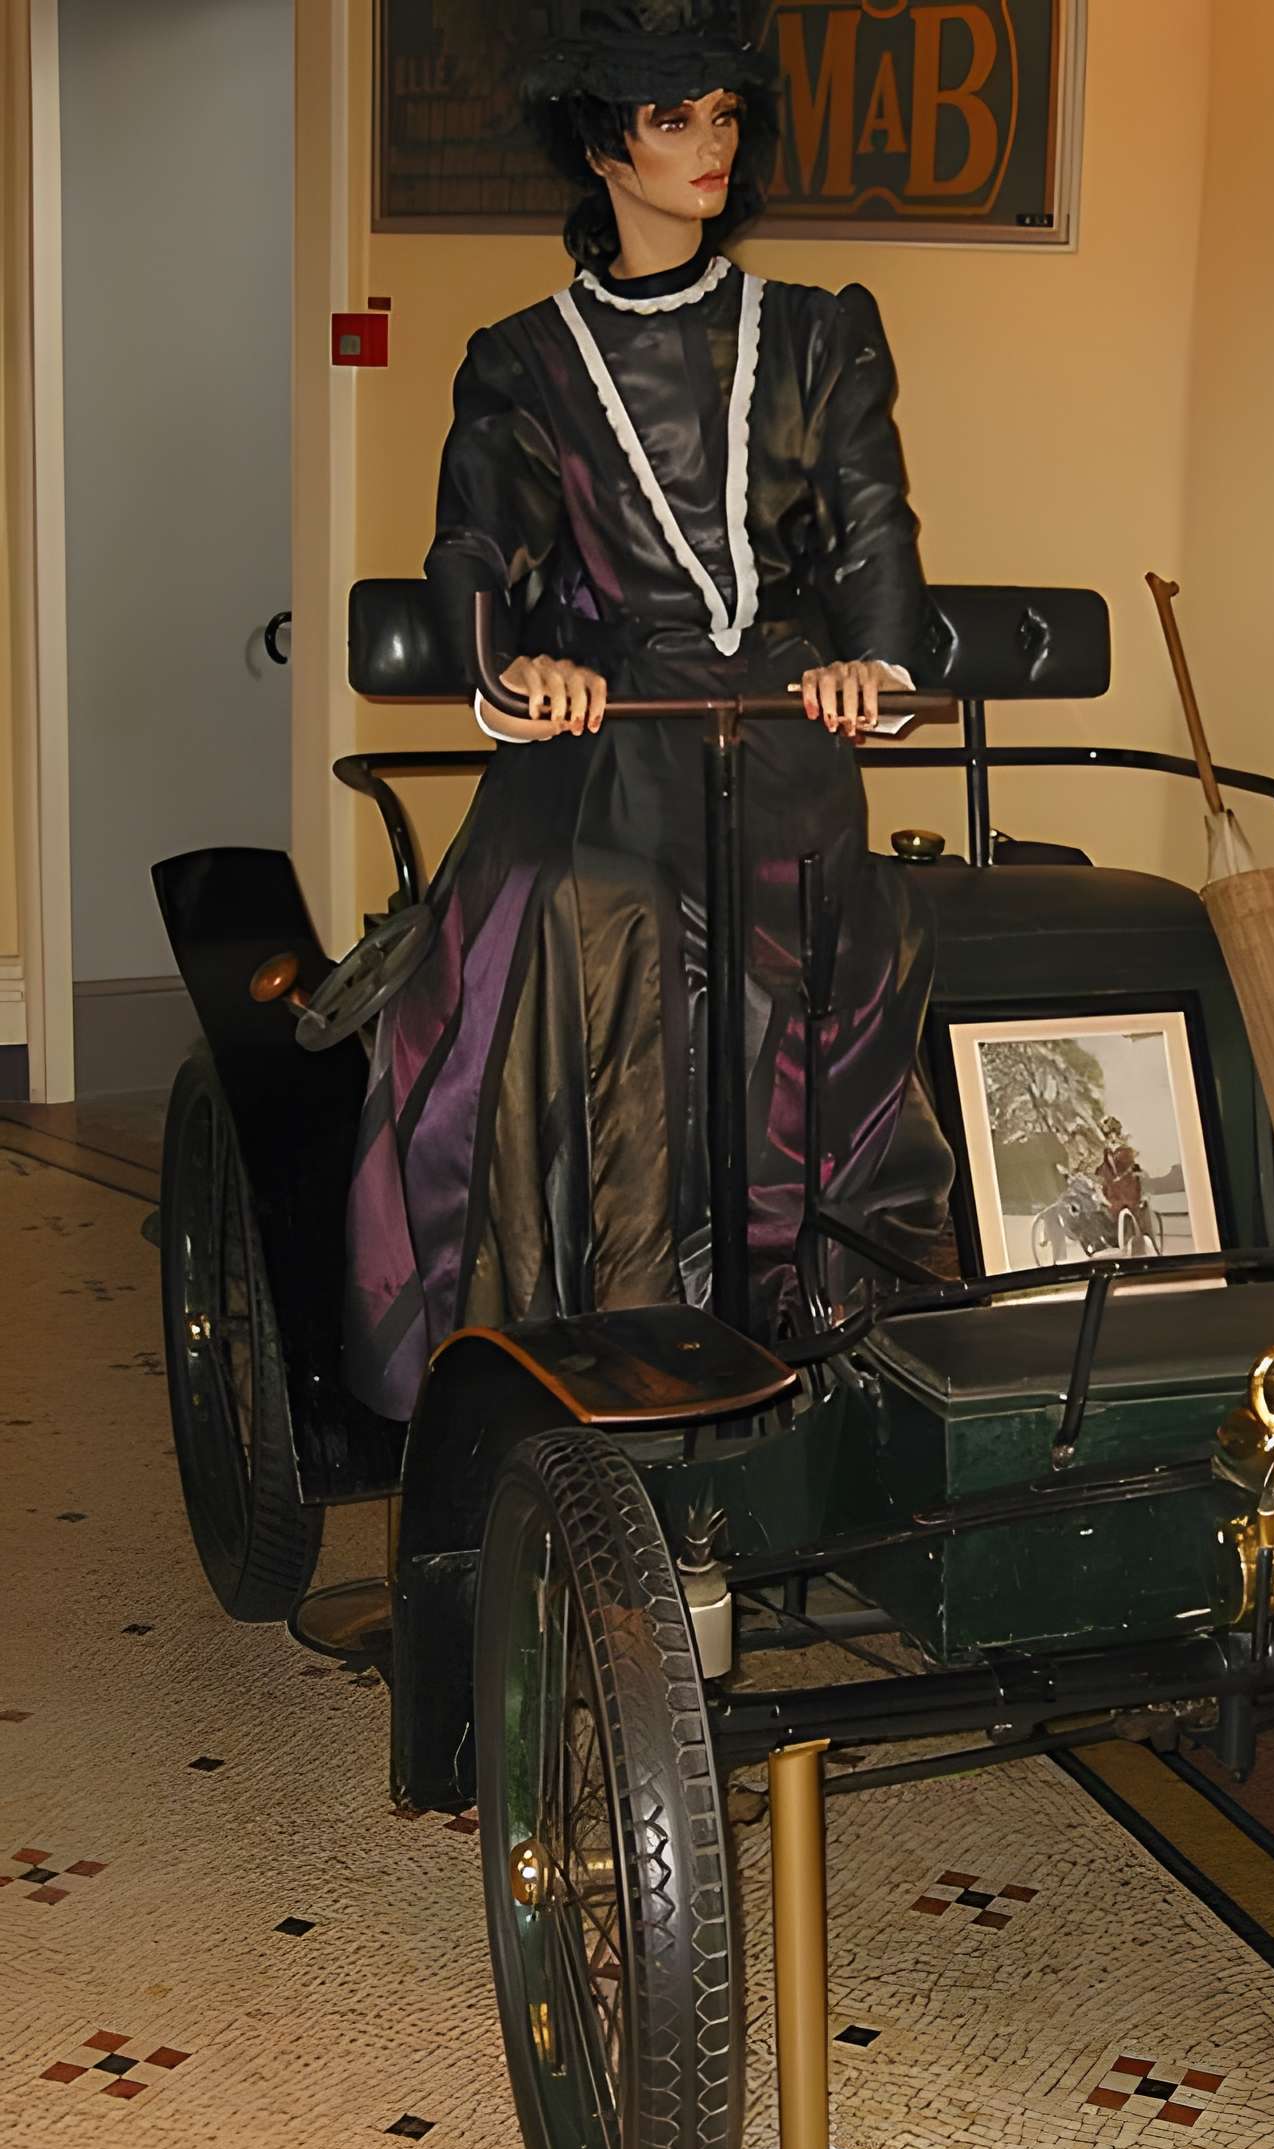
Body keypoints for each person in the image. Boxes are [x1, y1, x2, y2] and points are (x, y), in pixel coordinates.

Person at [344, 0, 950, 1417]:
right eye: (674, 121)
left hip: (789, 746)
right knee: (580, 939)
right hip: (613, 748)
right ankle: (610, 1353)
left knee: (840, 967)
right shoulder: (521, 359)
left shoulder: (819, 335)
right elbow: (476, 548)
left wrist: (874, 661)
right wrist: (518, 667)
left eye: (723, 117)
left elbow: (874, 535)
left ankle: (840, 1367)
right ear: (605, 152)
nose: (708, 148)